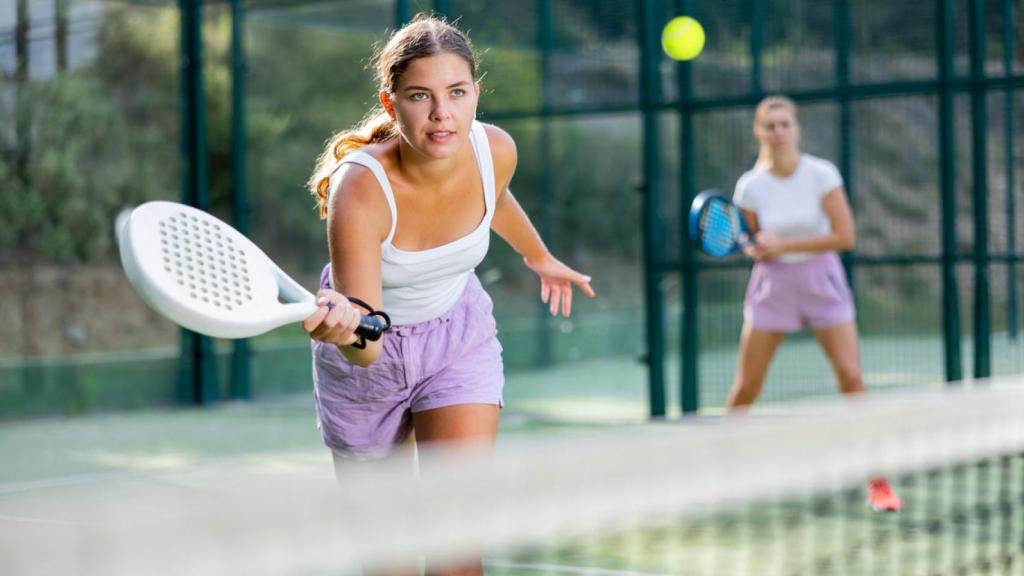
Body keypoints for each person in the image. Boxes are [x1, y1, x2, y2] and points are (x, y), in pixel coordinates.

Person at [301, 14, 595, 574]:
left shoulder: (495, 149)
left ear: (475, 93)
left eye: (457, 93)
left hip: (458, 339)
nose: (443, 113)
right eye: (421, 96)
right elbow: (367, 342)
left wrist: (538, 255)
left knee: (457, 545)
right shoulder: (360, 188)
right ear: (392, 105)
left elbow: (495, 197)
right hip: (368, 363)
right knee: (386, 560)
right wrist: (341, 332)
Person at [728, 95, 901, 513]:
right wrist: (760, 249)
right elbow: (752, 243)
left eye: (785, 124)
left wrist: (786, 243)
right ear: (759, 132)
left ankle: (879, 483)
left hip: (822, 281)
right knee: (746, 387)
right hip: (773, 286)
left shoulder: (821, 174)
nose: (778, 132)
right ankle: (716, 474)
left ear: (796, 128)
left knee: (851, 379)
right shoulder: (749, 187)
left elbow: (845, 236)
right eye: (770, 126)